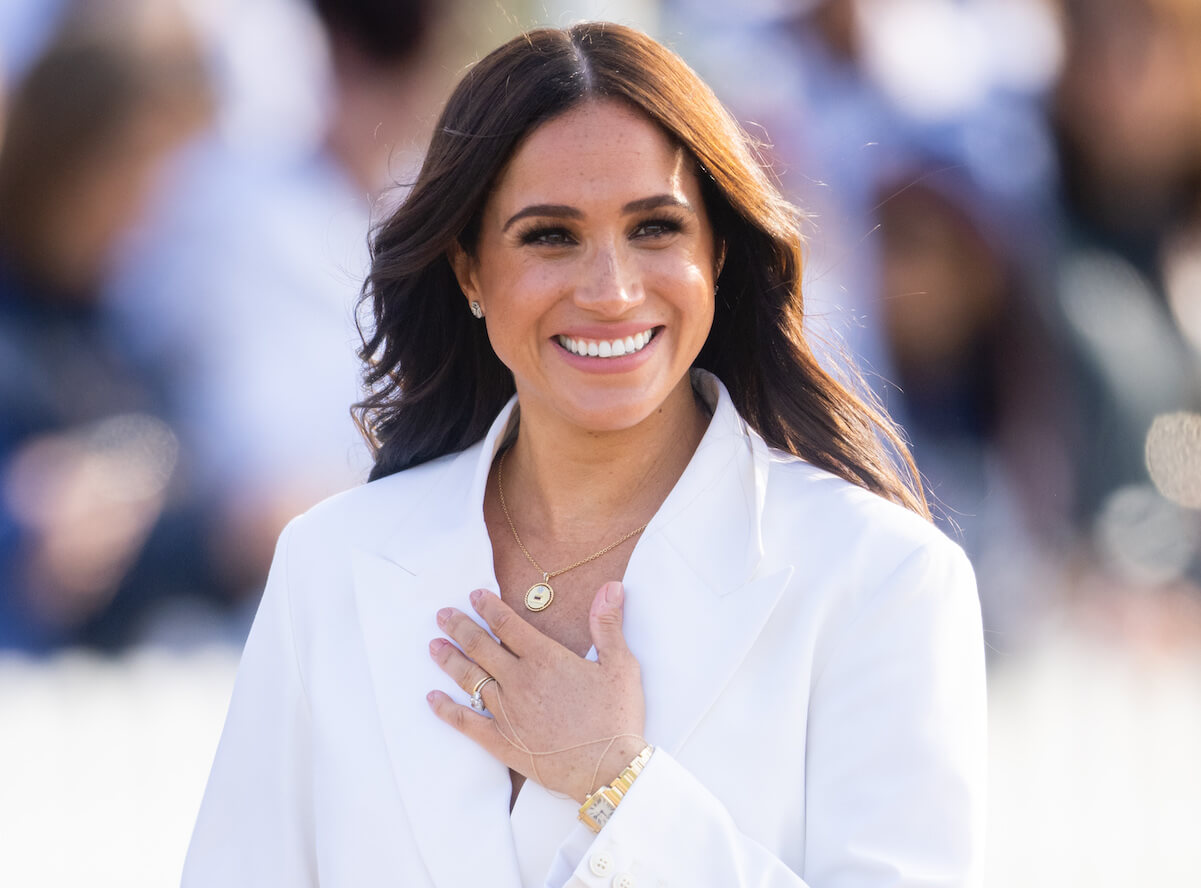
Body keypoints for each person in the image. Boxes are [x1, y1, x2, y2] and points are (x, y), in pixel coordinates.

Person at [183, 22, 986, 887]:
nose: (610, 290)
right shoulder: (329, 565)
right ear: (468, 269)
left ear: (717, 252)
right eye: (550, 236)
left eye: (655, 228)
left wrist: (617, 784)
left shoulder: (882, 578)